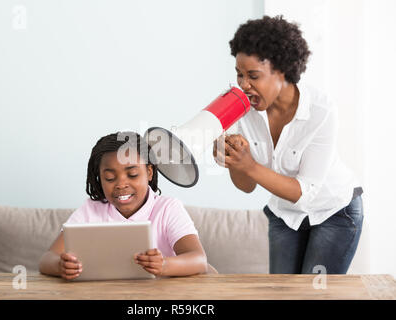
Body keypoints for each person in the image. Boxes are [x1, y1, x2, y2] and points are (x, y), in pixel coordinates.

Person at [213, 15, 363, 274]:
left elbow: (304, 193)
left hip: (334, 211)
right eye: (239, 74)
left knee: (314, 293)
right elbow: (246, 186)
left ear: (281, 71)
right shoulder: (241, 109)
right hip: (285, 214)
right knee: (281, 292)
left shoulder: (320, 110)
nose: (243, 85)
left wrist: (249, 164)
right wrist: (234, 160)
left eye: (253, 76)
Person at [39, 131, 216, 280]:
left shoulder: (168, 209)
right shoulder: (91, 210)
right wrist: (60, 265)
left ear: (148, 172)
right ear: (99, 178)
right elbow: (47, 259)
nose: (121, 184)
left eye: (132, 174)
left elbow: (199, 260)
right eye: (109, 178)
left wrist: (164, 265)